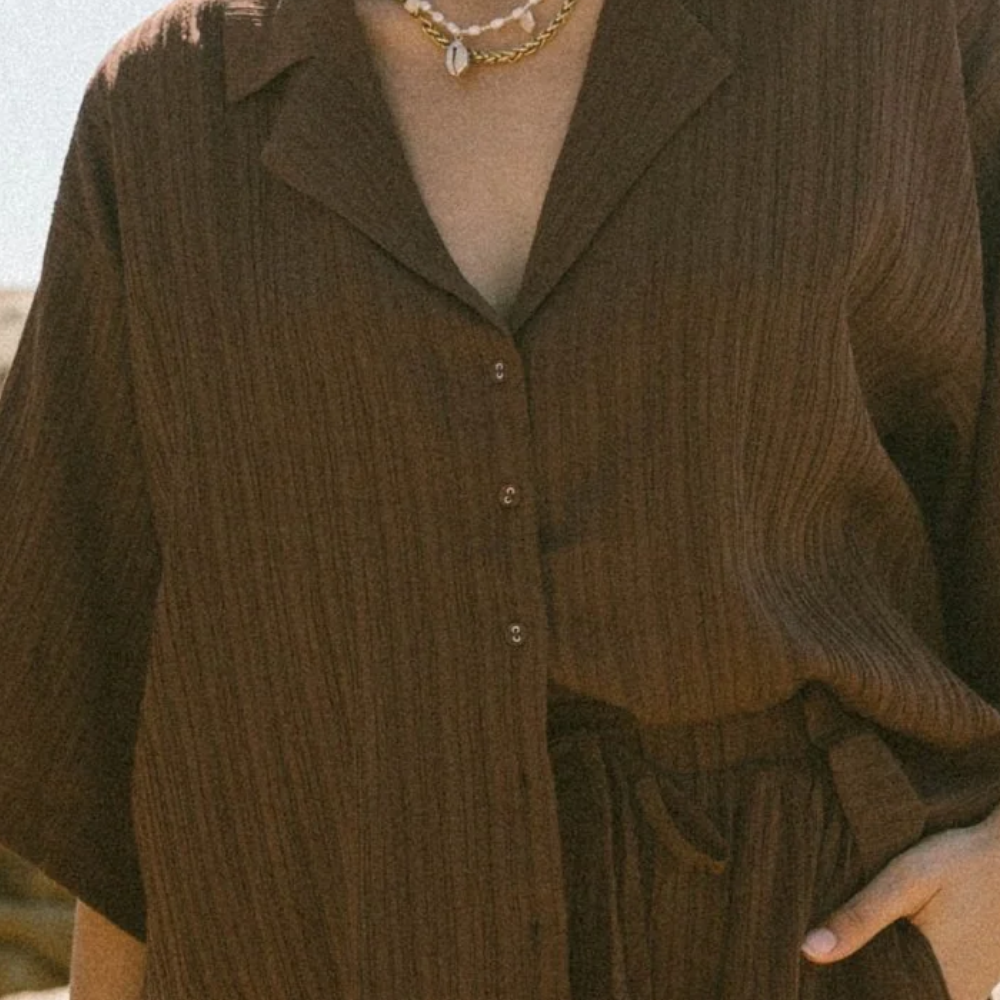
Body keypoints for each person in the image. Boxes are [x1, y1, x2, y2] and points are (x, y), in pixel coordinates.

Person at [2, 0, 1000, 996]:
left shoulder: (899, 33)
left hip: (800, 949)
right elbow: (108, 718)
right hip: (304, 946)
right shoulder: (165, 109)